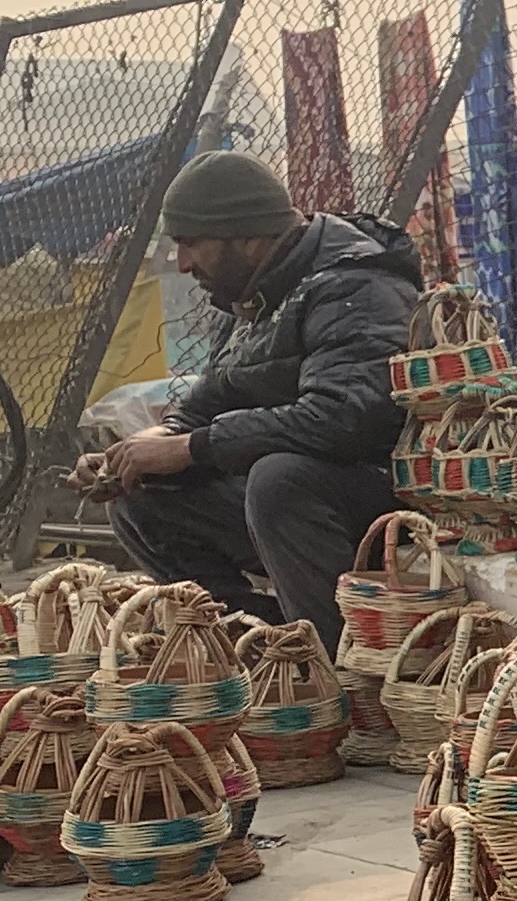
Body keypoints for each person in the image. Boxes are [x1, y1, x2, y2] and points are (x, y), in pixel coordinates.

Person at [79, 148, 421, 629]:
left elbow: (347, 418)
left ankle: (331, 662)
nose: (182, 263)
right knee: (139, 496)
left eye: (191, 243)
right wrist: (145, 448)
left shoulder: (354, 285)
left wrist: (195, 447)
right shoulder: (252, 295)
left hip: (388, 499)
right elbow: (209, 402)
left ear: (249, 236)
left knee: (279, 479)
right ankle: (250, 637)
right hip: (302, 495)